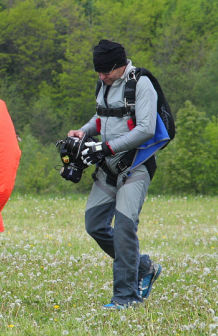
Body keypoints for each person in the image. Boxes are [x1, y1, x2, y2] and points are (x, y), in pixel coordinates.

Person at [67, 40, 163, 310]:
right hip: (107, 167)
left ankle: (126, 297)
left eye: (105, 71)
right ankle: (144, 268)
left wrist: (105, 147)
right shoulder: (104, 84)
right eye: (98, 72)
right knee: (94, 225)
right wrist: (83, 132)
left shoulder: (141, 84)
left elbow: (145, 129)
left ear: (120, 65)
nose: (101, 76)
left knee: (123, 229)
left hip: (135, 167)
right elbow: (102, 118)